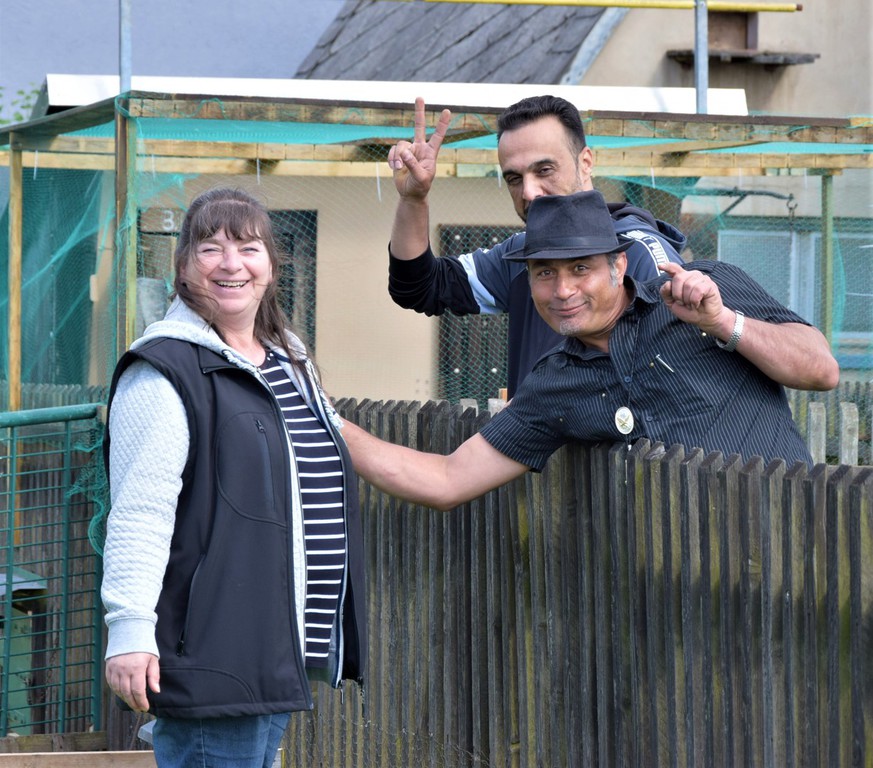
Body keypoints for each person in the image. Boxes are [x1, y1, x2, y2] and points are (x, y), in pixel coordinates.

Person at [342, 189, 840, 510]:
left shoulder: (705, 290)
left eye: (581, 268)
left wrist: (724, 322)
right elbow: (447, 479)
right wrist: (325, 420)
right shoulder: (556, 383)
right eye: (545, 273)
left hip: (803, 545)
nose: (563, 291)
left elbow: (821, 370)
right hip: (688, 593)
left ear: (618, 267)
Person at [100, 188, 366, 768]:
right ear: (183, 265)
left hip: (273, 648)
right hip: (216, 653)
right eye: (210, 248)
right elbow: (140, 513)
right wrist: (129, 629)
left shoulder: (288, 361)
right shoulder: (164, 369)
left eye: (248, 247)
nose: (231, 264)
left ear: (271, 264)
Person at [387, 95, 688, 396]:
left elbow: (684, 383)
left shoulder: (640, 253)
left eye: (544, 170)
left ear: (585, 163)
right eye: (514, 178)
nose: (529, 192)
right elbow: (419, 287)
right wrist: (413, 199)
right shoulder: (521, 253)